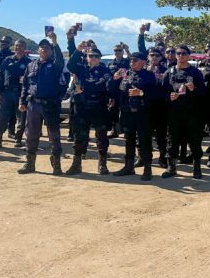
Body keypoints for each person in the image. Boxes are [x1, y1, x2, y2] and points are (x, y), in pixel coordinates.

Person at [17, 34, 66, 175]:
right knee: (31, 134)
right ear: (38, 50)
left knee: (54, 135)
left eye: (47, 48)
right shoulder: (30, 65)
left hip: (50, 104)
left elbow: (61, 60)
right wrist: (22, 101)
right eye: (42, 48)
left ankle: (56, 165)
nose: (44, 50)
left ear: (51, 50)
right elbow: (25, 85)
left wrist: (55, 42)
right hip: (33, 104)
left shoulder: (55, 65)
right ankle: (29, 164)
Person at [109, 51, 159, 180]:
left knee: (144, 141)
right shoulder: (125, 75)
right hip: (127, 113)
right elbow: (113, 91)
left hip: (143, 113)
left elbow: (154, 95)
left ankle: (147, 169)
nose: (132, 62)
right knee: (129, 141)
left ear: (143, 62)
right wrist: (114, 80)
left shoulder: (149, 75)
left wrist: (141, 93)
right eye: (131, 60)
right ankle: (128, 166)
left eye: (135, 60)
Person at [65, 47, 112, 175]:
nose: (93, 58)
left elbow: (101, 85)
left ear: (100, 59)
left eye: (96, 56)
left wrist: (83, 88)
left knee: (101, 137)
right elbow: (70, 65)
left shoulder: (105, 70)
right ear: (87, 57)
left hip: (99, 107)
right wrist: (78, 50)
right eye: (91, 56)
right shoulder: (81, 68)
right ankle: (76, 164)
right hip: (82, 107)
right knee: (79, 136)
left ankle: (102, 164)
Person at [162, 45, 207, 179]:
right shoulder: (169, 72)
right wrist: (169, 96)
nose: (181, 56)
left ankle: (197, 167)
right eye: (178, 53)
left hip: (192, 112)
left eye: (184, 53)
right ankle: (171, 167)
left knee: (194, 140)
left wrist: (194, 89)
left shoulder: (195, 73)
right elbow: (161, 92)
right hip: (175, 112)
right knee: (173, 139)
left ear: (188, 56)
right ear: (175, 56)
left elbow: (203, 93)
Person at [0, 40, 32, 149]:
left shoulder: (29, 62)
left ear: (24, 48)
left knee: (21, 117)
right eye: (16, 45)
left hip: (21, 93)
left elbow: (32, 79)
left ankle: (18, 139)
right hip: (7, 92)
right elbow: (0, 76)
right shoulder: (7, 60)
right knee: (2, 117)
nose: (18, 47)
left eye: (21, 45)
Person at [139, 48, 168, 169]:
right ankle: (142, 157)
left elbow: (169, 88)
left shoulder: (166, 71)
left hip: (160, 107)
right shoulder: (142, 70)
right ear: (148, 57)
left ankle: (162, 158)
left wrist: (161, 79)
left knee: (161, 135)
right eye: (152, 55)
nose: (154, 57)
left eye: (157, 55)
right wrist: (148, 74)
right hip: (145, 107)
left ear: (161, 58)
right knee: (144, 134)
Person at [106, 42, 131, 139]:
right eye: (115, 50)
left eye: (119, 50)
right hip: (114, 91)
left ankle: (125, 131)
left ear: (122, 51)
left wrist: (127, 50)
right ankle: (115, 130)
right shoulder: (111, 64)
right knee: (113, 111)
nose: (117, 52)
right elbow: (108, 77)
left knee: (125, 112)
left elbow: (132, 59)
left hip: (125, 91)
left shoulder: (127, 62)